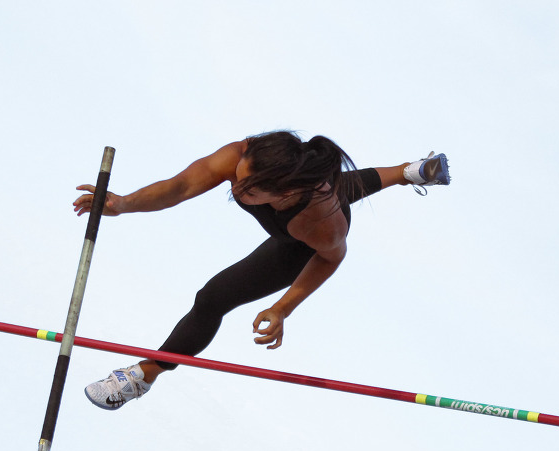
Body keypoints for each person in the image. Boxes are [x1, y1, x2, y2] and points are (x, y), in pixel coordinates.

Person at [73, 130, 450, 410]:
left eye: (251, 190)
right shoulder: (241, 156)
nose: (239, 188)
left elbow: (331, 257)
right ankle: (411, 171)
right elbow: (184, 184)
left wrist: (282, 307)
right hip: (308, 194)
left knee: (213, 298)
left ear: (283, 193)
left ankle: (145, 374)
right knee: (334, 185)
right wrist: (123, 204)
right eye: (241, 176)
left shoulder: (317, 221)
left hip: (300, 244)